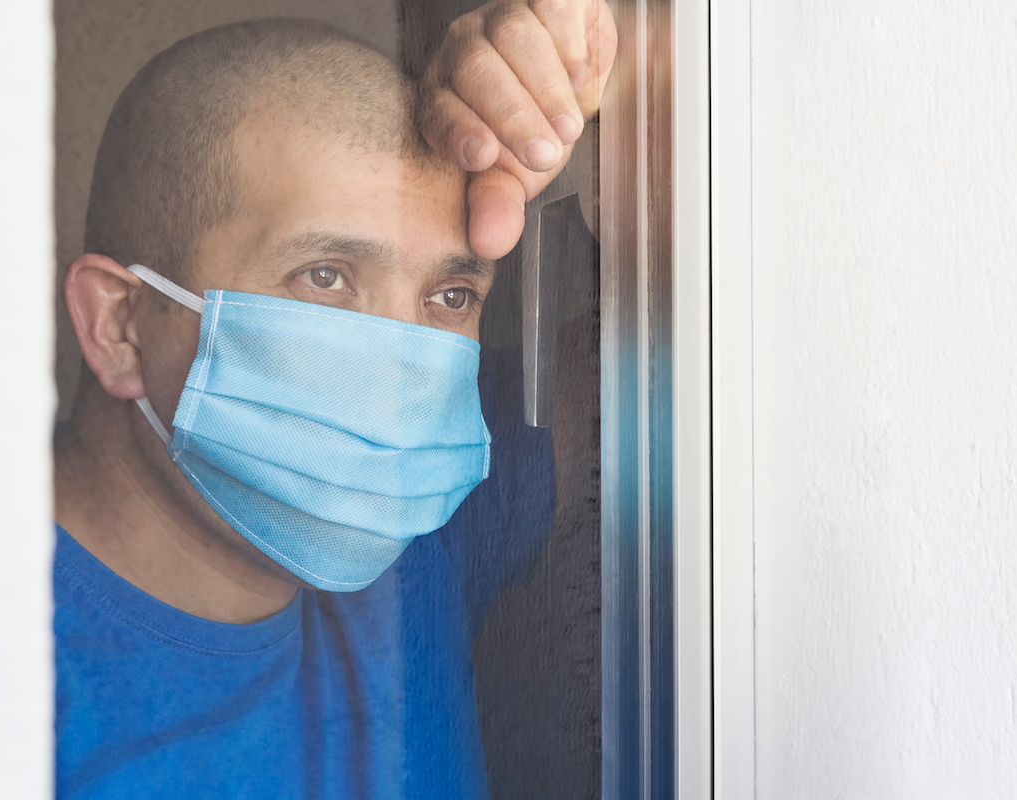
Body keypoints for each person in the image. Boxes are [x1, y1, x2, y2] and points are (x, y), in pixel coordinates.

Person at [52, 5, 614, 797]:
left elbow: (651, 364)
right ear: (118, 324)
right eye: (325, 277)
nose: (399, 379)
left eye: (451, 293)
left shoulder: (415, 529)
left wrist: (609, 72)